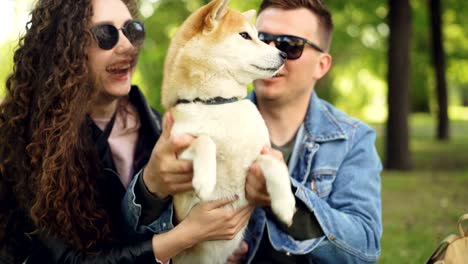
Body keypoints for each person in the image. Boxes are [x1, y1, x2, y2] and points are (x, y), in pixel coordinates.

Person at [0, 0, 252, 263]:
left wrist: (213, 247)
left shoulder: (161, 127)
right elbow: (69, 259)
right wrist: (183, 236)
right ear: (66, 48)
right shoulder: (29, 140)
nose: (127, 46)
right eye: (105, 35)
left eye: (132, 31)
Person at [229, 0, 383, 263]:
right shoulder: (213, 122)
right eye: (260, 39)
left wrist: (282, 197)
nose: (268, 52)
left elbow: (364, 250)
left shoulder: (353, 139)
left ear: (322, 65)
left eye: (290, 45)